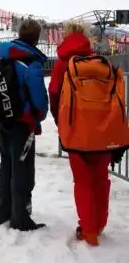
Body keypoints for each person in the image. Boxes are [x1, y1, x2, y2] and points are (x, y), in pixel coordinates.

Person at [48, 23, 126, 246]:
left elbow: (54, 94)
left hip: (75, 131)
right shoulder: (99, 62)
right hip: (104, 131)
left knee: (82, 181)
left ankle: (89, 230)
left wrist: (61, 123)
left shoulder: (64, 63)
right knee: (101, 178)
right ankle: (100, 223)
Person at [0, 19, 48, 231]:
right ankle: (21, 218)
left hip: (3, 120)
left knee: (6, 165)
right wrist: (39, 116)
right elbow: (39, 100)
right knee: (23, 170)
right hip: (23, 123)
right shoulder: (31, 63)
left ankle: (4, 212)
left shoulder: (5, 56)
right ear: (36, 39)